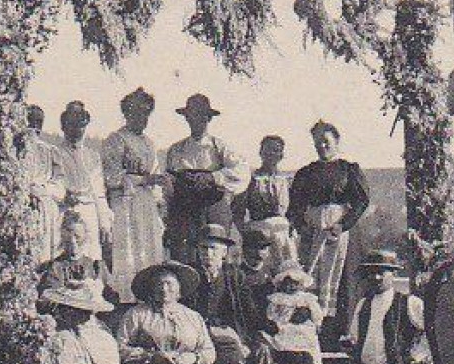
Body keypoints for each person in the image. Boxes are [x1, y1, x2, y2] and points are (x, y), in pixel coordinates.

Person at [288, 120, 369, 324]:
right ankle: (312, 324)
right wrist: (304, 228)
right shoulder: (306, 173)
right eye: (317, 143)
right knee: (310, 278)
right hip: (313, 233)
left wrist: (343, 225)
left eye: (326, 141)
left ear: (337, 141)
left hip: (340, 232)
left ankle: (341, 328)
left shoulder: (348, 170)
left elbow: (360, 202)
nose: (321, 146)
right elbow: (295, 206)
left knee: (343, 280)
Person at [158, 93, 247, 261]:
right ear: (186, 118)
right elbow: (168, 187)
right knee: (184, 256)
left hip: (212, 208)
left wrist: (214, 177)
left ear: (208, 118)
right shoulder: (176, 149)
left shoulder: (219, 146)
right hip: (184, 211)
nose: (196, 120)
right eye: (192, 116)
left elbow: (241, 171)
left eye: (201, 116)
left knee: (214, 254)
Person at [101, 88, 166, 303]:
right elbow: (111, 177)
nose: (142, 118)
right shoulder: (116, 140)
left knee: (148, 248)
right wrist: (142, 180)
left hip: (145, 203)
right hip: (124, 202)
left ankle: (148, 297)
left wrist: (157, 192)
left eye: (146, 113)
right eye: (136, 113)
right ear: (127, 114)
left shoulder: (149, 143)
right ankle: (126, 298)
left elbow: (154, 175)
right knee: (128, 249)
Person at [193, 223, 252, 364]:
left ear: (224, 252)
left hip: (226, 328)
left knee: (231, 346)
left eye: (213, 248)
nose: (208, 253)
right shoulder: (190, 276)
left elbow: (246, 311)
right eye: (203, 248)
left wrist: (244, 339)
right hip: (197, 330)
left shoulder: (234, 276)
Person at [41, 279, 120, 364]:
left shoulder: (106, 339)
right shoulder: (63, 339)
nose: (85, 317)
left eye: (86, 312)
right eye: (67, 310)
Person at [54, 101, 113, 265]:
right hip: (65, 211)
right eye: (71, 124)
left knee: (91, 255)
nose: (76, 129)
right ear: (63, 126)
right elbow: (53, 182)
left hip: (89, 212)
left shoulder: (92, 156)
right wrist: (62, 195)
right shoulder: (55, 153)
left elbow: (99, 193)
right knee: (67, 253)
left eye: (80, 125)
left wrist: (105, 225)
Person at [257, 259, 325, 364]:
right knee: (277, 339)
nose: (291, 287)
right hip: (283, 329)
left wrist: (314, 320)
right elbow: (271, 314)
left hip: (302, 331)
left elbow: (317, 314)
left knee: (304, 340)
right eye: (287, 283)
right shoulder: (277, 299)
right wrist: (274, 322)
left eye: (295, 283)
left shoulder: (306, 298)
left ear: (301, 284)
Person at [233, 134, 296, 268]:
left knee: (286, 268)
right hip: (259, 231)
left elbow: (293, 209)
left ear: (281, 155)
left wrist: (291, 225)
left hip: (282, 231)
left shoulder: (286, 180)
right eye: (267, 150)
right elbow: (238, 210)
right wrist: (245, 236)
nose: (271, 154)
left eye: (276, 150)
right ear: (260, 153)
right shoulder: (251, 179)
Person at [21, 105, 67, 266]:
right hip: (22, 206)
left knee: (46, 255)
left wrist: (44, 190)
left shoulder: (50, 151)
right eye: (30, 122)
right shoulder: (15, 150)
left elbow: (60, 186)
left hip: (46, 207)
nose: (34, 128)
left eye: (38, 123)